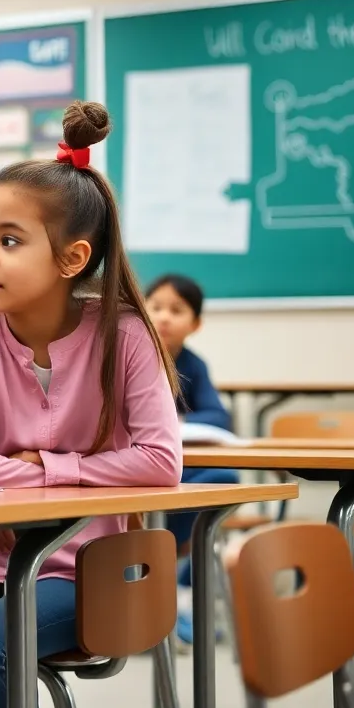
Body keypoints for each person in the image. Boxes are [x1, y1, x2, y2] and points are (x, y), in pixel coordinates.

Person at [0, 101, 182, 708]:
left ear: (72, 259)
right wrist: (77, 469)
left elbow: (159, 462)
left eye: (9, 240)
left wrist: (49, 467)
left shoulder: (124, 333)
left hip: (92, 567)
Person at [145, 273, 239, 643]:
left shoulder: (193, 366)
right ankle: (166, 587)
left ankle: (172, 583)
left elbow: (218, 417)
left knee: (224, 479)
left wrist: (175, 420)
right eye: (155, 307)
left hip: (179, 467)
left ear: (195, 324)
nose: (164, 317)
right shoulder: (132, 355)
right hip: (138, 471)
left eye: (176, 310)